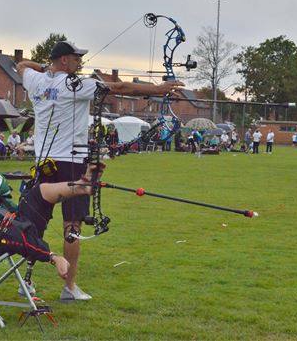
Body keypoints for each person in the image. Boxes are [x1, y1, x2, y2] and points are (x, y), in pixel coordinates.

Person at [16, 40, 184, 301]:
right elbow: (120, 87)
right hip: (71, 163)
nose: (79, 62)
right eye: (74, 58)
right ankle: (69, 288)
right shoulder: (77, 85)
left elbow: (21, 65)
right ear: (63, 61)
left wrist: (45, 69)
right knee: (72, 226)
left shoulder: (37, 81)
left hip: (44, 162)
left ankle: (24, 280)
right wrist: (158, 88)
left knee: (34, 222)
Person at [0, 131, 103, 282]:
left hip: (13, 221)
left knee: (39, 191)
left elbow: (9, 208)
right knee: (19, 222)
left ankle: (82, 185)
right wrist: (52, 256)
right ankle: (80, 188)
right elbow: (0, 223)